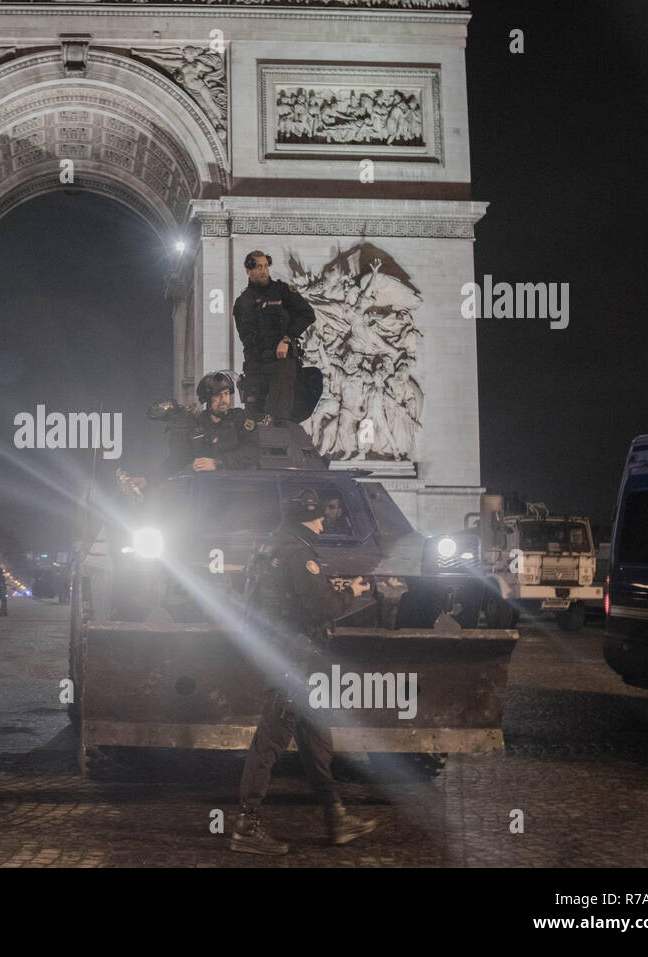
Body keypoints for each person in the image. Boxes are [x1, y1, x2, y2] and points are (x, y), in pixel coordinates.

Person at [231, 489, 378, 855]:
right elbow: (321, 606)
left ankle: (335, 818)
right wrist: (354, 591)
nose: (324, 520)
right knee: (270, 741)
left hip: (290, 655)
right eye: (320, 515)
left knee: (316, 740)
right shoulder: (297, 551)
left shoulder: (275, 545)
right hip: (291, 659)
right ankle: (246, 827)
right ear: (307, 516)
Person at [233, 250, 317, 422]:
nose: (264, 271)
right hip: (256, 368)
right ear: (248, 271)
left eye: (266, 266)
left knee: (280, 419)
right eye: (258, 267)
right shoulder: (242, 302)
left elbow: (308, 314)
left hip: (281, 365)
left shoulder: (283, 291)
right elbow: (246, 338)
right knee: (254, 422)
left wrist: (287, 339)